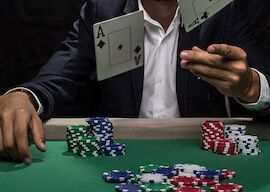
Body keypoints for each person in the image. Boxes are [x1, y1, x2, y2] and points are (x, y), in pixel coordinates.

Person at [0, 0, 269, 165]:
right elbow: (59, 76)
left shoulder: (223, 9)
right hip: (117, 160)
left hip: (202, 159)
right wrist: (23, 95)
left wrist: (250, 87)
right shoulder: (104, 10)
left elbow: (263, 78)